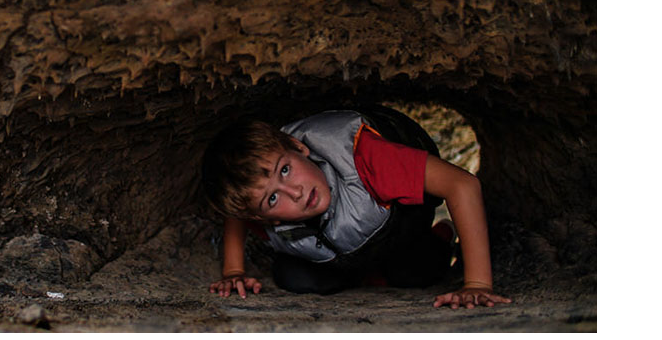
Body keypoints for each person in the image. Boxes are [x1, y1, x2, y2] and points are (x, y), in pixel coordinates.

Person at [200, 106, 511, 309]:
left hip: (399, 219)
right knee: (292, 278)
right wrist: (234, 271)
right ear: (258, 216)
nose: (294, 192)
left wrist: (477, 284)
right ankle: (369, 274)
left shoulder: (365, 158)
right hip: (344, 246)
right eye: (272, 198)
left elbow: (463, 184)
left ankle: (441, 236)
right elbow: (236, 212)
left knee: (416, 271)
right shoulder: (256, 212)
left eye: (285, 170)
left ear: (297, 147)